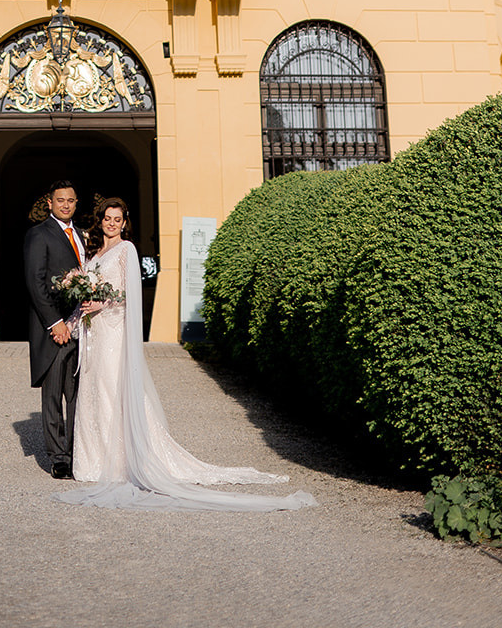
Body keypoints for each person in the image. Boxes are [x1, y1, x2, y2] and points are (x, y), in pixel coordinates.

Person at [60, 197, 316, 512]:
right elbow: (86, 293)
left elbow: (129, 293)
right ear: (101, 221)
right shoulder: (96, 253)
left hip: (113, 332)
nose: (111, 224)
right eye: (107, 219)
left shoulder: (127, 250)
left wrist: (102, 304)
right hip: (94, 335)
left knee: (114, 393)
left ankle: (118, 464)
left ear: (125, 222)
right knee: (94, 392)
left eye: (117, 219)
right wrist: (70, 324)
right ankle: (92, 462)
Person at [22, 179, 88, 478]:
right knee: (53, 396)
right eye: (60, 200)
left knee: (77, 395)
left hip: (82, 329)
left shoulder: (83, 235)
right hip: (55, 330)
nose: (65, 204)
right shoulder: (38, 234)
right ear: (49, 203)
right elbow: (35, 283)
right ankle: (59, 457)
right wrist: (55, 322)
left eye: (70, 200)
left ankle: (77, 453)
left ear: (76, 203)